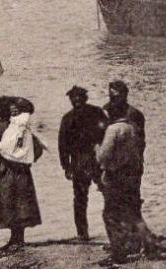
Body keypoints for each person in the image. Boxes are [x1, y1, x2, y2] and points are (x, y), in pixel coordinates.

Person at [103, 79, 158, 257]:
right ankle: (131, 241)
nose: (113, 99)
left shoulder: (134, 114)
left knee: (121, 206)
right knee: (126, 206)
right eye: (111, 96)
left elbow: (138, 143)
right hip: (127, 166)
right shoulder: (110, 111)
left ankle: (128, 244)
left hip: (126, 167)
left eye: (116, 96)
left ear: (125, 95)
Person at [0, 96, 44, 251]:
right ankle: (18, 239)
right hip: (22, 170)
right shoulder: (22, 126)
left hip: (7, 170)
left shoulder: (3, 126)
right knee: (22, 204)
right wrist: (26, 160)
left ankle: (15, 240)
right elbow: (37, 148)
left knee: (9, 203)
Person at [58, 85, 108, 241]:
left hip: (96, 158)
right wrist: (66, 166)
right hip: (78, 161)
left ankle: (116, 228)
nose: (76, 100)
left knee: (108, 193)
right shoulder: (67, 119)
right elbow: (62, 145)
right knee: (80, 198)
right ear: (70, 100)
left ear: (85, 98)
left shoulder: (97, 112)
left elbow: (107, 134)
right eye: (73, 98)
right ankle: (82, 232)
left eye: (79, 97)